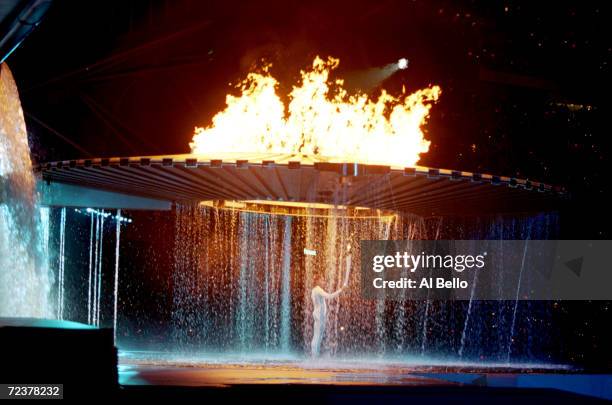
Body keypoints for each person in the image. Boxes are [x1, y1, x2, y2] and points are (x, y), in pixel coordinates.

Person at [310, 243, 352, 357]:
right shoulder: (318, 289)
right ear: (318, 280)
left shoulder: (314, 290)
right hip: (319, 315)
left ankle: (315, 355)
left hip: (318, 314)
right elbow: (329, 297)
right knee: (317, 336)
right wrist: (340, 290)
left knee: (318, 336)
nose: (324, 281)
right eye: (322, 280)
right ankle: (314, 357)